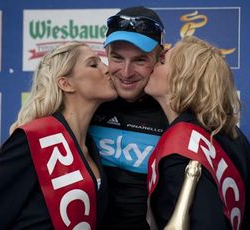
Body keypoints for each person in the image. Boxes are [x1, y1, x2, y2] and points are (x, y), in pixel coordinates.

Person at [0, 41, 117, 229]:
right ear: (66, 84)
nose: (107, 69)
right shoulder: (33, 139)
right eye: (93, 64)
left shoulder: (92, 146)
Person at [145, 35, 250, 230]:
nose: (151, 67)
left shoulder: (181, 147)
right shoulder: (233, 135)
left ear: (182, 78)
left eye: (162, 61)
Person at [88, 6, 168, 230]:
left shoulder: (176, 113)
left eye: (140, 60)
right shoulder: (89, 102)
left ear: (160, 58)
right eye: (117, 58)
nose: (125, 72)